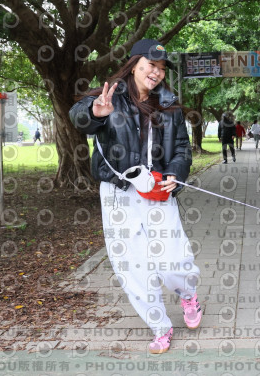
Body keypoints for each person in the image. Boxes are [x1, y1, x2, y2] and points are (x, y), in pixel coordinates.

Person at [69, 38, 201, 354]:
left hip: (158, 190)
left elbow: (181, 148)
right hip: (118, 192)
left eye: (161, 68)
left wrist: (176, 174)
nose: (156, 72)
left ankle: (188, 294)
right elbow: (78, 116)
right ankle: (160, 327)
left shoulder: (168, 104)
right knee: (131, 264)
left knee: (172, 259)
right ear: (133, 65)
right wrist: (96, 113)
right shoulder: (111, 96)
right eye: (150, 65)